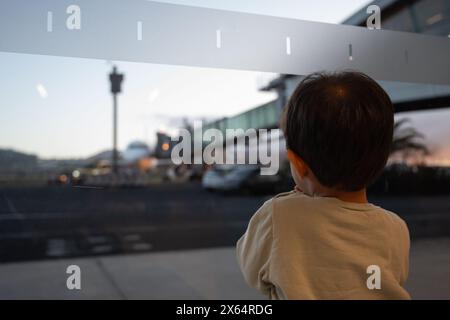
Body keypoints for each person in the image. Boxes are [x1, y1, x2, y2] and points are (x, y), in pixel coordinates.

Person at [236, 71, 410, 299]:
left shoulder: (280, 215)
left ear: (298, 164)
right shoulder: (396, 228)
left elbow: (250, 267)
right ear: (381, 159)